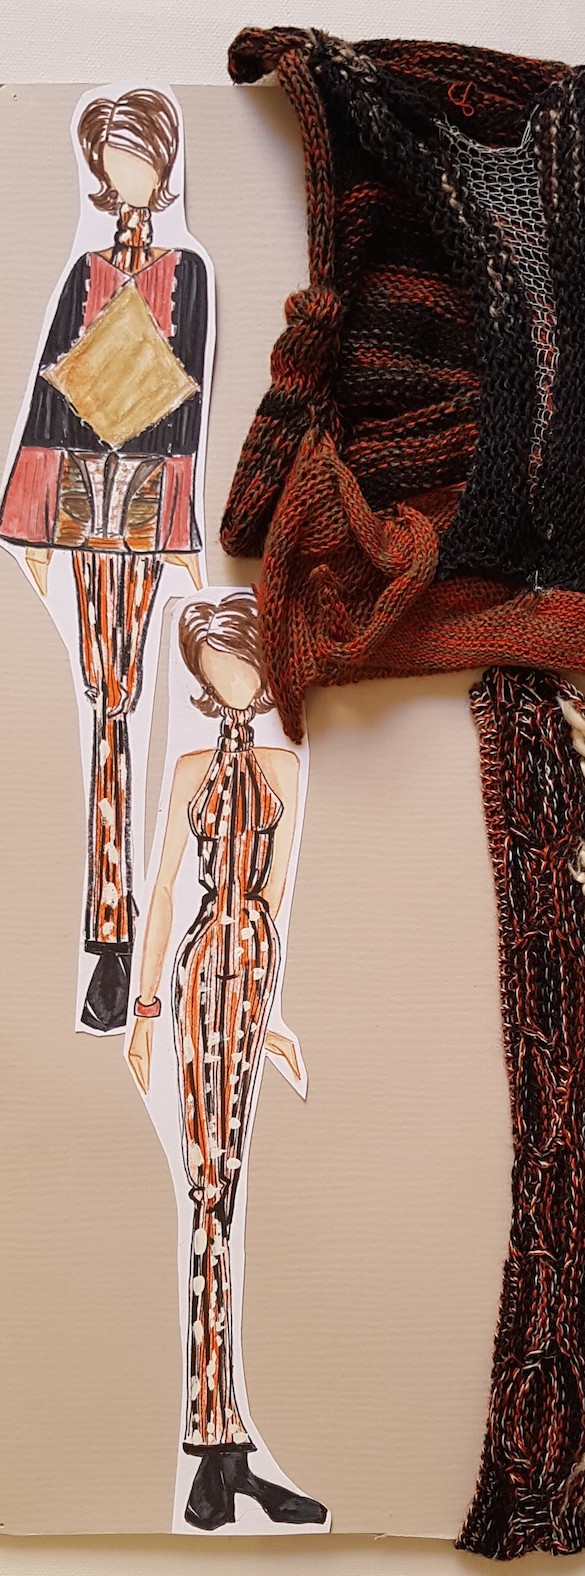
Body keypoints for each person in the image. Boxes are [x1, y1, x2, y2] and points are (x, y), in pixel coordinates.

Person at [0, 87, 208, 1031]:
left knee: (120, 704)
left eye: (140, 160)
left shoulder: (186, 274)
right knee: (106, 709)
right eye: (114, 162)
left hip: (144, 512)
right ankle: (109, 938)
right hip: (81, 507)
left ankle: (118, 942)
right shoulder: (84, 273)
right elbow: (49, 404)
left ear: (161, 169)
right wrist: (33, 529)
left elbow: (185, 413)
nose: (126, 178)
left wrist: (181, 530)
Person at [127, 591, 327, 1531]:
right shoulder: (191, 770)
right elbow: (163, 887)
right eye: (218, 676)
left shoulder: (285, 769)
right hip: (201, 969)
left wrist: (273, 1010)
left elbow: (276, 900)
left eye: (240, 668)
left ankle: (223, 1453)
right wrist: (144, 1009)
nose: (233, 686)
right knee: (209, 1195)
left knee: (224, 1192)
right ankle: (218, 1451)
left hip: (251, 972)